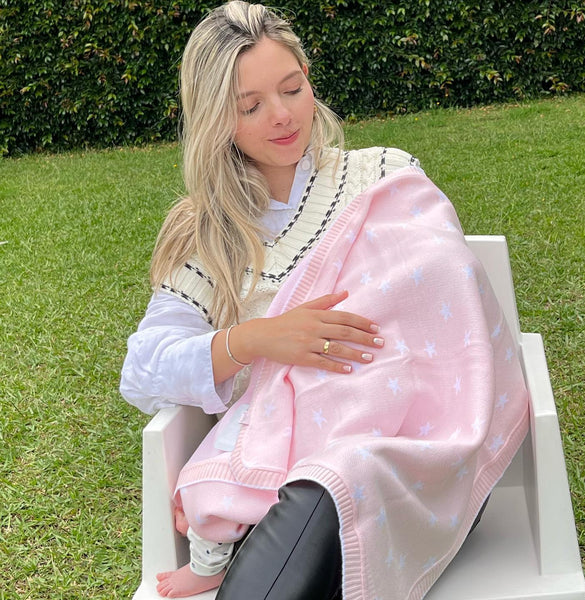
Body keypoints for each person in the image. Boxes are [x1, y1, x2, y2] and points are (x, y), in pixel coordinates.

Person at [121, 2, 530, 599]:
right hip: (288, 486)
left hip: (429, 456)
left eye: (293, 88)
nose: (283, 115)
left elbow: (445, 295)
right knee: (323, 489)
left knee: (342, 475)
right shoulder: (211, 240)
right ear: (216, 120)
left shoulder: (385, 176)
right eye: (251, 106)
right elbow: (143, 370)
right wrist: (258, 339)